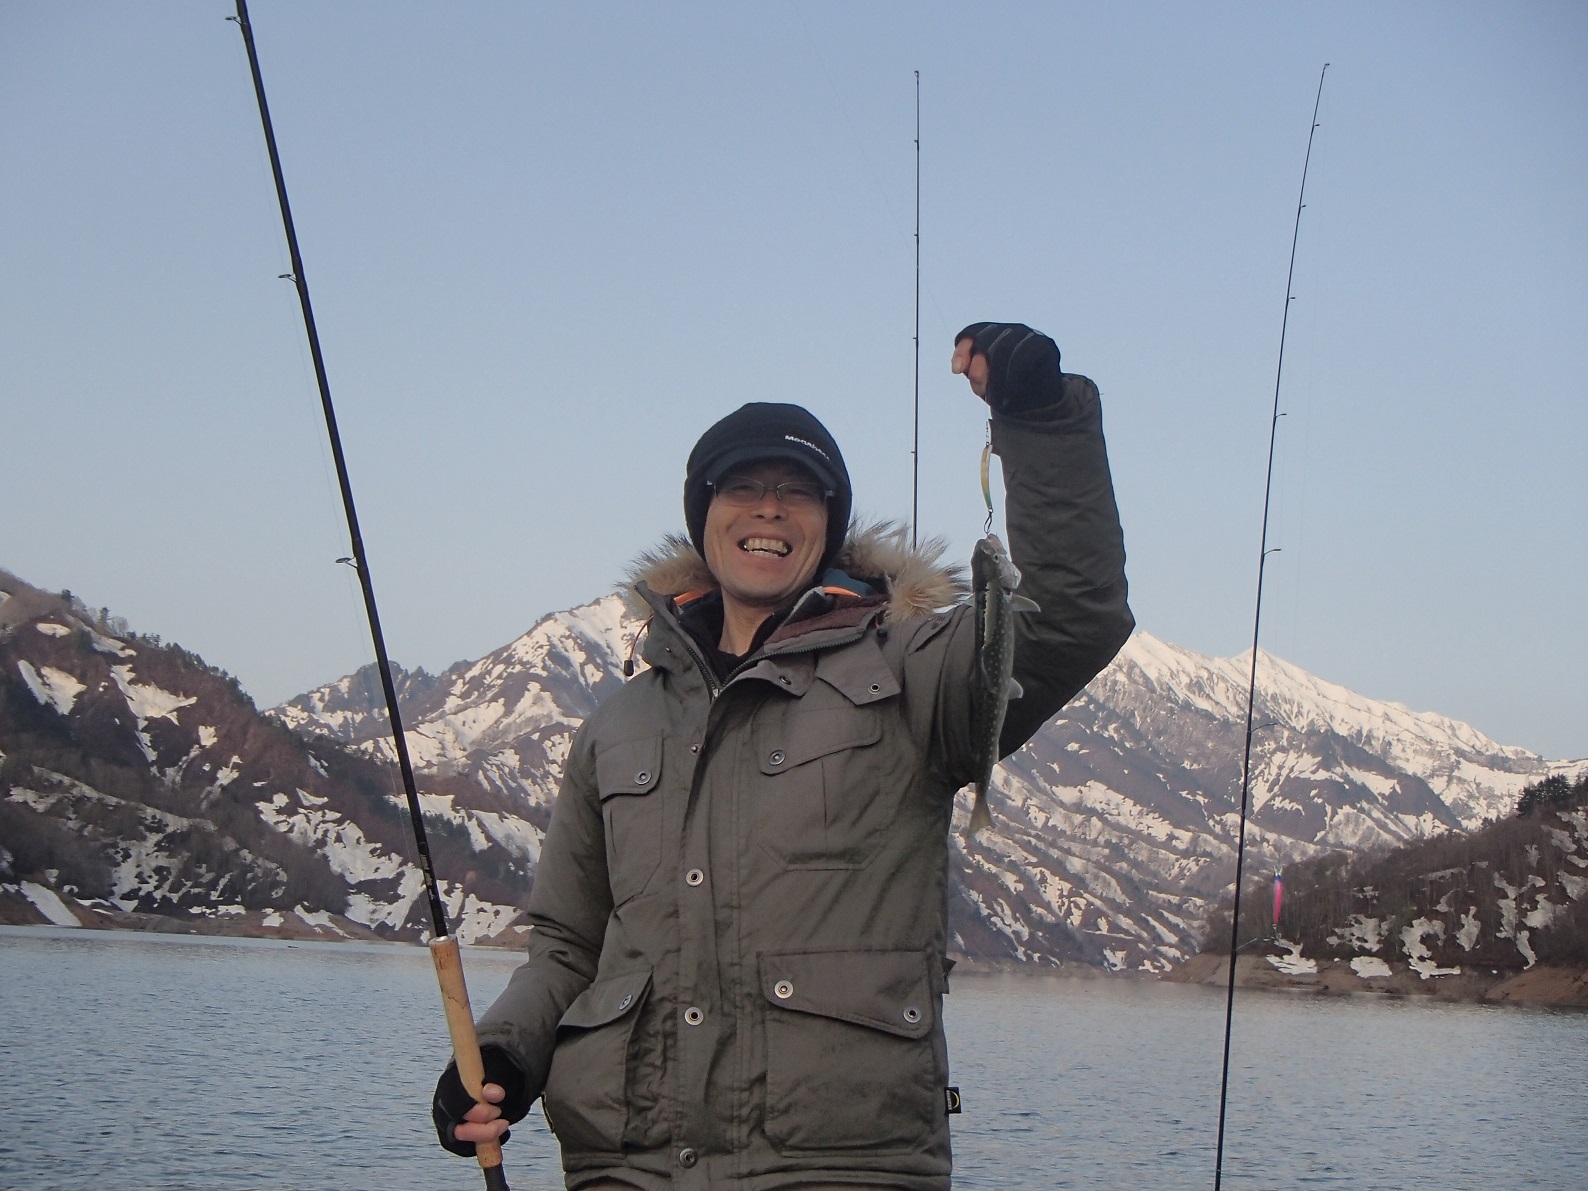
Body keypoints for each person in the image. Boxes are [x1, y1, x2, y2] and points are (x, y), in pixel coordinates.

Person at [433, 322, 1133, 1190]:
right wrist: (502, 1055)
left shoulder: (912, 671)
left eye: (800, 491)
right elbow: (567, 947)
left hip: (837, 1168)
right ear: (703, 513)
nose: (769, 508)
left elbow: (1074, 617)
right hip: (626, 1169)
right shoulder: (616, 725)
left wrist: (1040, 418)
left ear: (830, 526)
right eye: (743, 485)